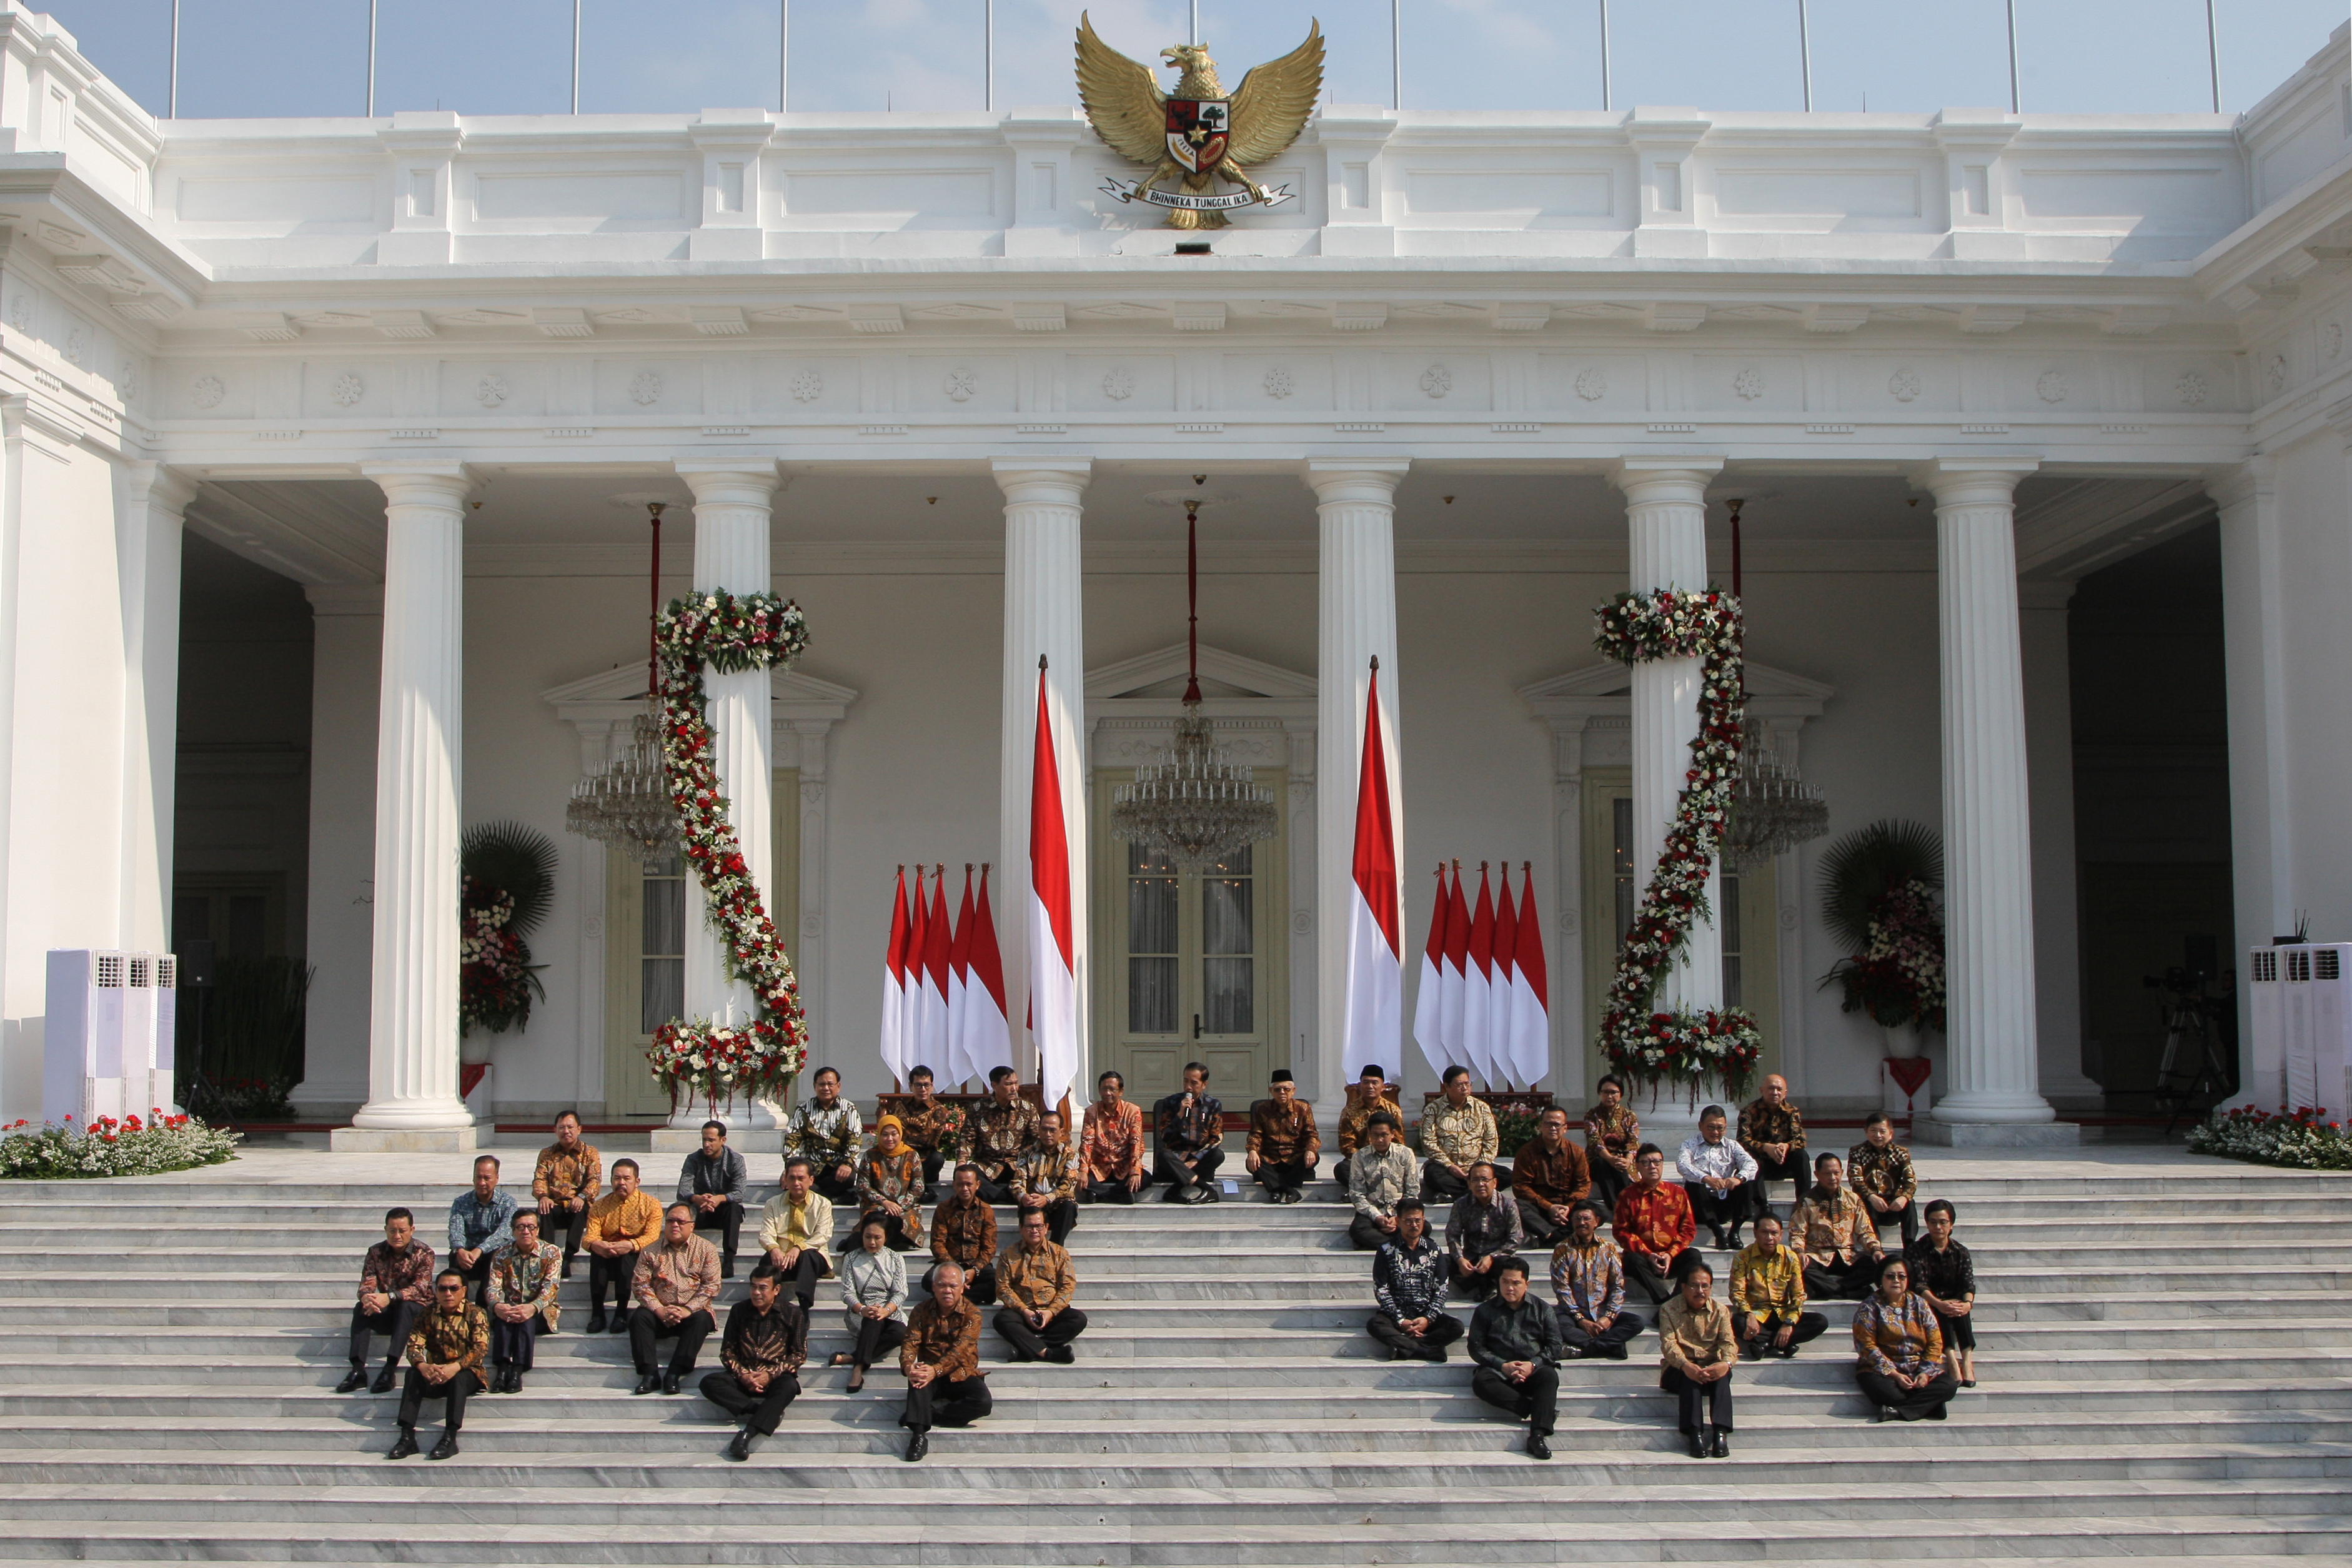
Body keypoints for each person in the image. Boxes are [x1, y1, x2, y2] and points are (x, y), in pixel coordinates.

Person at [700, 1260, 807, 1461]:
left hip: (775, 1377)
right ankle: (761, 1411)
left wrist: (770, 1375)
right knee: (709, 1382)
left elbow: (799, 1354)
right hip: (745, 1375)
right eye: (753, 1287)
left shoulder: (793, 1313)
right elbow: (727, 1352)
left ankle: (746, 1436)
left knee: (790, 1386)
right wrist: (743, 1375)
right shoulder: (739, 1311)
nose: (756, 1293)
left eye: (763, 1288)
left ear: (776, 1290)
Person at [1466, 1257, 1562, 1460]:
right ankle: (1538, 1411)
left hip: (1532, 1371)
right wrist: (1502, 1365)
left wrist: (1533, 1365)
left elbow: (1555, 1346)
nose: (1510, 1288)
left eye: (1516, 1283)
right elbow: (1476, 1348)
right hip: (1500, 1373)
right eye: (1505, 1282)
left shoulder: (1543, 1309)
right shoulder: (1485, 1311)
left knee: (1550, 1376)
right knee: (1481, 1381)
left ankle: (1537, 1436)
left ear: (1527, 1284)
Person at [387, 1269, 486, 1462]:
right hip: (436, 1372)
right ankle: (407, 1436)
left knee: (458, 1378)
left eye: (453, 1288)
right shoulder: (426, 1314)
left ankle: (450, 1437)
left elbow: (480, 1349)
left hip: (467, 1373)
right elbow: (414, 1346)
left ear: (464, 1291)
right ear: (436, 1291)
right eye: (443, 1289)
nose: (448, 1293)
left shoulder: (476, 1313)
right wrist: (422, 1366)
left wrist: (455, 1367)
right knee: (412, 1374)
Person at [900, 1260, 991, 1462]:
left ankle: (929, 1414)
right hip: (929, 1370)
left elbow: (961, 1351)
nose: (947, 1290)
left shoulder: (973, 1313)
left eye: (953, 1286)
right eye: (942, 1285)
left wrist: (936, 1370)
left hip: (960, 1372)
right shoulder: (920, 1310)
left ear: (962, 1288)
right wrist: (908, 1367)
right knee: (918, 1378)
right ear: (934, 1287)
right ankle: (918, 1436)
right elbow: (911, 1342)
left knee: (983, 1402)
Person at [628, 1202, 722, 1395]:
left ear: (692, 1225)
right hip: (660, 1313)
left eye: (680, 1221)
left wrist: (688, 1309)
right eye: (670, 1221)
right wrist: (659, 1310)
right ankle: (650, 1374)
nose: (675, 1225)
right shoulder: (650, 1251)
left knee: (703, 1318)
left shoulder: (707, 1249)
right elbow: (640, 1285)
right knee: (639, 1317)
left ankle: (675, 1372)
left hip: (690, 1314)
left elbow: (711, 1285)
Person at [1853, 1255, 1958, 1422]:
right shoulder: (1870, 1306)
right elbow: (1866, 1346)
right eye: (1890, 1276)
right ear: (1881, 1279)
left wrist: (1924, 1373)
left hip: (1917, 1366)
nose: (1896, 1281)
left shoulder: (1919, 1304)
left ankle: (1897, 1412)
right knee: (1890, 1394)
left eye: (1901, 1277)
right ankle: (1929, 1406)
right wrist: (1895, 1375)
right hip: (1882, 1370)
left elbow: (1935, 1342)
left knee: (1949, 1386)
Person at [341, 1207, 434, 1394]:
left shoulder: (424, 1253)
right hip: (390, 1313)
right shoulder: (376, 1252)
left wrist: (390, 1297)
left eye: (402, 1231)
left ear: (412, 1230)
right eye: (392, 1231)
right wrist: (367, 1298)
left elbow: (420, 1289)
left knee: (406, 1307)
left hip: (416, 1314)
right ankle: (358, 1370)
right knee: (362, 1307)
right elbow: (367, 1283)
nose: (397, 1236)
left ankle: (390, 1369)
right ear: (386, 1230)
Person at [1657, 1261, 1737, 1459]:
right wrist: (1686, 1366)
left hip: (1710, 1366)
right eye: (1694, 1286)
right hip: (1678, 1368)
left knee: (1722, 1375)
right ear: (1684, 1287)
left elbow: (1729, 1343)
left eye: (1705, 1286)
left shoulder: (1720, 1311)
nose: (1700, 1291)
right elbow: (1669, 1344)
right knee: (1690, 1377)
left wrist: (1726, 1364)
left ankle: (1721, 1433)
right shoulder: (1668, 1309)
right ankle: (1694, 1434)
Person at [1367, 1198, 1461, 1362]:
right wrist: (1401, 1321)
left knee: (1456, 1327)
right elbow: (1381, 1290)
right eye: (1409, 1221)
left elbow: (1441, 1289)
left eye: (1418, 1220)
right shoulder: (1386, 1250)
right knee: (1375, 1324)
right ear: (1398, 1221)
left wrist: (1427, 1319)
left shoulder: (1434, 1250)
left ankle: (1405, 1348)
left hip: (1424, 1314)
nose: (1414, 1225)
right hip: (1397, 1314)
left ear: (1424, 1220)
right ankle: (1429, 1352)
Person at [1550, 1200, 1644, 1360]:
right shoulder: (1562, 1249)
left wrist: (1609, 1317)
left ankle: (1588, 1349)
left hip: (1601, 1312)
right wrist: (1580, 1320)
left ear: (1597, 1221)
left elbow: (1618, 1286)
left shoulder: (1608, 1248)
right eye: (1577, 1219)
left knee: (1637, 1322)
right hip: (1574, 1315)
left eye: (1586, 1219)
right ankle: (1612, 1346)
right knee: (1555, 1323)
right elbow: (1561, 1288)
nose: (1582, 1223)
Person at [481, 1208, 560, 1393]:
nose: (526, 1231)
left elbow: (551, 1288)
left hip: (540, 1311)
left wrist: (532, 1307)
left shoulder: (551, 1252)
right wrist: (496, 1305)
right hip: (511, 1307)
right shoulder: (502, 1255)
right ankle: (502, 1370)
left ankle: (517, 1371)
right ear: (513, 1231)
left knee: (526, 1319)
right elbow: (493, 1287)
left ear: (537, 1230)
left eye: (531, 1227)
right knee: (504, 1317)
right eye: (521, 1227)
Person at [995, 1206, 1087, 1364]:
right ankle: (1048, 1353)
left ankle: (1028, 1351)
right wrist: (1025, 1311)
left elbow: (1067, 1286)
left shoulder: (1059, 1253)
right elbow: (1003, 1288)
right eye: (1029, 1226)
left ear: (1046, 1228)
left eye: (1038, 1226)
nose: (1034, 1231)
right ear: (1021, 1228)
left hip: (1051, 1313)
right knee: (1002, 1320)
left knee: (1078, 1319)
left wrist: (1050, 1312)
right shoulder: (1008, 1255)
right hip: (1022, 1313)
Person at [1727, 1213, 1827, 1360]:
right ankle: (1785, 1344)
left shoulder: (1790, 1257)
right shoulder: (1743, 1257)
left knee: (1820, 1321)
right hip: (1757, 1314)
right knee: (1737, 1321)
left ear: (1781, 1235)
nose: (1769, 1238)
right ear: (1755, 1233)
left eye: (1774, 1233)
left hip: (1783, 1313)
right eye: (1764, 1232)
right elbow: (1736, 1292)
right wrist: (1749, 1314)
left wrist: (1789, 1323)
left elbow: (1798, 1295)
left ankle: (1765, 1345)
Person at [1614, 1144, 1703, 1304]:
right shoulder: (1627, 1196)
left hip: (1671, 1258)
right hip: (1643, 1260)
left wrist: (1670, 1254)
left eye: (1657, 1162)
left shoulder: (1678, 1193)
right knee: (1632, 1260)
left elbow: (1688, 1229)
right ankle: (1666, 1302)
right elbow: (1621, 1231)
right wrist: (1648, 1254)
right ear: (1637, 1166)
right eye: (1646, 1163)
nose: (1652, 1167)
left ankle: (1677, 1299)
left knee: (1693, 1255)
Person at [580, 1157, 662, 1332]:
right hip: (608, 1252)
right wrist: (597, 1245)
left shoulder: (651, 1205)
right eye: (617, 1178)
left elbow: (652, 1237)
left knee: (627, 1257)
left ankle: (621, 1312)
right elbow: (589, 1237)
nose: (621, 1183)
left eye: (627, 1178)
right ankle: (597, 1313)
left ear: (637, 1182)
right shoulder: (600, 1205)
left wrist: (631, 1245)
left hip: (635, 1255)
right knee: (597, 1254)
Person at [1789, 1151, 1883, 1301]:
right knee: (1797, 1265)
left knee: (1880, 1264)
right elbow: (1797, 1233)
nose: (1833, 1178)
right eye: (1827, 1174)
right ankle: (1850, 1293)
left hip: (1848, 1255)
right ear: (1817, 1174)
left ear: (1842, 1172)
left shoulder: (1853, 1199)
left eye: (1836, 1173)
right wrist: (1799, 1252)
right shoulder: (1806, 1201)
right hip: (1817, 1255)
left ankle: (1830, 1290)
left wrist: (1876, 1250)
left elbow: (1865, 1231)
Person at [832, 1213, 910, 1392]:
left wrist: (886, 1310)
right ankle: (858, 1370)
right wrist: (862, 1309)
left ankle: (852, 1358)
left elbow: (900, 1292)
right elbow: (847, 1293)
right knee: (873, 1319)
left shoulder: (896, 1259)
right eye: (868, 1237)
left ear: (886, 1237)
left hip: (889, 1310)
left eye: (877, 1237)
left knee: (901, 1333)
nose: (872, 1242)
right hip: (860, 1311)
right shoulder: (852, 1258)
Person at [1905, 1198, 1977, 1387]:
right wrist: (1938, 1303)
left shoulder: (1960, 1251)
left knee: (1958, 1308)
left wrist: (1967, 1304)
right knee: (1941, 1309)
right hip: (1928, 1301)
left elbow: (1968, 1284)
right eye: (1933, 1222)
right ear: (1927, 1223)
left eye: (1943, 1222)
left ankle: (1967, 1359)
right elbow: (1919, 1285)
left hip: (1953, 1300)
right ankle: (1952, 1359)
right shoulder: (1916, 1250)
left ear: (1951, 1224)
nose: (1938, 1227)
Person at [1677, 1104, 1762, 1249]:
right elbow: (1682, 1165)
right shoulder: (1689, 1145)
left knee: (1747, 1181)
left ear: (1725, 1128)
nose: (1715, 1132)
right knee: (1694, 1184)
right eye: (1711, 1127)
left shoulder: (1732, 1146)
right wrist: (1707, 1179)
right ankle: (1718, 1233)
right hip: (1701, 1205)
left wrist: (1737, 1179)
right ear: (1700, 1126)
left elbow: (1751, 1164)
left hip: (1724, 1201)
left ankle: (1734, 1232)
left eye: (1720, 1128)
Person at [529, 1111, 600, 1278]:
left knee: (580, 1210)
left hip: (578, 1205)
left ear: (579, 1129)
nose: (566, 1131)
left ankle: (567, 1257)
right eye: (562, 1127)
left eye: (570, 1127)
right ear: (555, 1130)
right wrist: (543, 1196)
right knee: (544, 1209)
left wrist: (582, 1197)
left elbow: (595, 1180)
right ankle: (549, 1256)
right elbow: (539, 1178)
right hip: (556, 1203)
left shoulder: (589, 1153)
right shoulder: (547, 1154)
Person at [1421, 1065, 1510, 1198]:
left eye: (1467, 1084)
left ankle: (1458, 1195)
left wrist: (1477, 1168)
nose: (1465, 1088)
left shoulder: (1482, 1108)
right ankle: (1474, 1194)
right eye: (1459, 1085)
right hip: (1447, 1168)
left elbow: (1491, 1141)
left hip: (1477, 1167)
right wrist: (1450, 1166)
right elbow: (1428, 1143)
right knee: (1432, 1174)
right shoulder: (1433, 1110)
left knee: (1507, 1175)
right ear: (1447, 1086)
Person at [677, 1118, 748, 1278]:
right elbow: (682, 1191)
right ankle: (681, 1259)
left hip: (724, 1211)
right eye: (704, 1140)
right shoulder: (693, 1159)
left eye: (711, 1140)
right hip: (701, 1209)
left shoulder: (736, 1160)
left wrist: (720, 1199)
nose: (706, 1144)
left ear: (723, 1140)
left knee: (734, 1209)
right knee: (680, 1209)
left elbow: (740, 1192)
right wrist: (697, 1198)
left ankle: (728, 1260)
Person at [1511, 1107, 1592, 1247]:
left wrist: (1567, 1208)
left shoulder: (1576, 1152)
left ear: (1565, 1128)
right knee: (1515, 1206)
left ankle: (1552, 1237)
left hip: (1567, 1209)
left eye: (1557, 1125)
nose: (1553, 1128)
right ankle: (1554, 1235)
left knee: (1595, 1210)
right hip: (1539, 1208)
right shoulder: (1527, 1152)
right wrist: (1549, 1207)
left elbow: (1583, 1184)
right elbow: (1520, 1186)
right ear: (1541, 1126)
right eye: (1548, 1124)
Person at [958, 1065, 1041, 1201]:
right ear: (994, 1085)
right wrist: (962, 1162)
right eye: (1008, 1084)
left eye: (1016, 1083)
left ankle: (998, 1195)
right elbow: (967, 1139)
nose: (1014, 1088)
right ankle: (1004, 1196)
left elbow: (1036, 1139)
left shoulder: (1027, 1109)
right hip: (986, 1164)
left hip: (1017, 1165)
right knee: (965, 1174)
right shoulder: (978, 1109)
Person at [784, 1064, 865, 1202]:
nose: (826, 1088)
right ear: (815, 1086)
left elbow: (855, 1139)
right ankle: (835, 1199)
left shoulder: (849, 1109)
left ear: (838, 1086)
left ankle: (817, 1197)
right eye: (821, 1084)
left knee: (849, 1178)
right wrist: (790, 1166)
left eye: (830, 1084)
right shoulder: (803, 1110)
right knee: (795, 1180)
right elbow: (791, 1139)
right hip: (811, 1165)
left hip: (837, 1166)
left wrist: (848, 1163)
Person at [1445, 1161, 1522, 1300]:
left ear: (1495, 1182)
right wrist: (1460, 1259)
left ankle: (1483, 1285)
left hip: (1497, 1259)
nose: (1480, 1184)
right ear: (1469, 1183)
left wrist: (1492, 1257)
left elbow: (1515, 1239)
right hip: (1471, 1257)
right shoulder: (1461, 1204)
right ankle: (1481, 1283)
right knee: (1442, 1261)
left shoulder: (1508, 1205)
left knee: (1509, 1265)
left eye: (1485, 1180)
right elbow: (1452, 1234)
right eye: (1475, 1180)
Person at [925, 1161, 999, 1304]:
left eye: (969, 1184)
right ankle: (965, 1296)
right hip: (950, 1263)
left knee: (995, 1281)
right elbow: (937, 1244)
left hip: (975, 1266)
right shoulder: (943, 1209)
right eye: (960, 1184)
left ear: (977, 1185)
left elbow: (989, 1247)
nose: (964, 1188)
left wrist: (975, 1270)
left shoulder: (986, 1210)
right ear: (954, 1185)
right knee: (929, 1281)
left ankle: (954, 1298)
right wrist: (955, 1271)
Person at [848, 1115, 925, 1252]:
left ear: (900, 1134)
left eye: (894, 1134)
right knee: (876, 1219)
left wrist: (900, 1205)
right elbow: (862, 1186)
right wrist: (884, 1202)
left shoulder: (911, 1155)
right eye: (885, 1135)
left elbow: (918, 1187)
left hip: (904, 1206)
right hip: (877, 1205)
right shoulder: (870, 1155)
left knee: (904, 1220)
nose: (890, 1139)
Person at [1151, 1061, 1225, 1203]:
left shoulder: (1213, 1104)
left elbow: (1216, 1138)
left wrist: (1195, 1160)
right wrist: (1179, 1115)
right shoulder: (1170, 1102)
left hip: (1199, 1160)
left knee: (1218, 1155)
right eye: (1186, 1081)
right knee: (1163, 1155)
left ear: (1204, 1084)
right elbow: (1164, 1137)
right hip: (1176, 1159)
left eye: (1194, 1083)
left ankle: (1174, 1191)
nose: (1188, 1087)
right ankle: (1206, 1188)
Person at [1735, 1075, 1805, 1223]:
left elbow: (1800, 1140)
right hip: (1761, 1165)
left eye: (1779, 1089)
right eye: (1771, 1089)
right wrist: (1765, 1147)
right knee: (1751, 1158)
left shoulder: (1792, 1112)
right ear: (1762, 1090)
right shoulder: (1749, 1111)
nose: (1775, 1093)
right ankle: (1763, 1205)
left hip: (1782, 1161)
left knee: (1801, 1156)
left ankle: (1803, 1203)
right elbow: (1742, 1141)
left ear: (1785, 1093)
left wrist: (1786, 1146)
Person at [1344, 1113, 1420, 1251]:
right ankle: (1398, 1244)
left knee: (1424, 1227)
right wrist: (1377, 1217)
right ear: (1369, 1134)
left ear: (1392, 1134)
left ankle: (1382, 1244)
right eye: (1375, 1135)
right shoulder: (1360, 1157)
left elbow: (1413, 1190)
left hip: (1400, 1212)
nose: (1379, 1140)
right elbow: (1357, 1194)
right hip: (1373, 1211)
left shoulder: (1406, 1154)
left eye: (1384, 1135)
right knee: (1358, 1229)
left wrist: (1397, 1217)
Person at [445, 1154, 515, 1302]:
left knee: (497, 1257)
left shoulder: (508, 1203)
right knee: (455, 1257)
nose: (482, 1182)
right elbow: (456, 1229)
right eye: (478, 1177)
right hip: (468, 1254)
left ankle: (482, 1307)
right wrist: (460, 1250)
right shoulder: (461, 1202)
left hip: (492, 1253)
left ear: (497, 1178)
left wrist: (480, 1250)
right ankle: (457, 1304)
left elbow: (505, 1233)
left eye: (487, 1178)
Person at [1246, 1068, 1319, 1203]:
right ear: (1271, 1091)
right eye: (1278, 1090)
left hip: (1293, 1157)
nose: (1282, 1093)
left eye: (1286, 1089)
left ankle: (1276, 1190)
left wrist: (1310, 1150)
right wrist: (1252, 1151)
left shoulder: (1303, 1108)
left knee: (1314, 1156)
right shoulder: (1262, 1109)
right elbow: (1256, 1134)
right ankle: (1289, 1191)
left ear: (1293, 1090)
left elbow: (1311, 1134)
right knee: (1253, 1161)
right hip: (1271, 1157)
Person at [1848, 1113, 1920, 1249]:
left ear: (1891, 1133)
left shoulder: (1901, 1153)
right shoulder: (1857, 1152)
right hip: (1870, 1206)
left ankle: (1910, 1247)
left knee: (1910, 1203)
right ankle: (1875, 1247)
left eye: (1882, 1131)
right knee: (1865, 1202)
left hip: (1893, 1206)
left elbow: (1910, 1181)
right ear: (1866, 1131)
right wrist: (1872, 1197)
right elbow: (1855, 1180)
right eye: (1873, 1131)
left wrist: (1904, 1197)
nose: (1878, 1135)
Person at [895, 1064, 963, 1201]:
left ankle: (907, 1186)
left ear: (932, 1086)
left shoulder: (939, 1110)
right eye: (918, 1085)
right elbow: (895, 1133)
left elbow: (929, 1140)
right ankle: (915, 1189)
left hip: (925, 1162)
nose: (923, 1089)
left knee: (938, 1159)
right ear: (911, 1086)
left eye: (926, 1085)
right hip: (902, 1158)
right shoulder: (900, 1106)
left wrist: (909, 1138)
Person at [1079, 1069, 1147, 1202]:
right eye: (1104, 1089)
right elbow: (1087, 1142)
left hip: (1124, 1167)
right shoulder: (1091, 1112)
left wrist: (1135, 1169)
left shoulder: (1133, 1111)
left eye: (1112, 1089)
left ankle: (1099, 1195)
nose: (1108, 1093)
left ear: (1121, 1091)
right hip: (1099, 1167)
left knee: (1145, 1178)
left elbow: (1136, 1143)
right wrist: (1083, 1170)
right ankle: (1119, 1195)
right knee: (1076, 1175)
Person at [1014, 1111, 1081, 1245]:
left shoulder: (1070, 1155)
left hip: (1057, 1204)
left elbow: (1068, 1184)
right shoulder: (1027, 1153)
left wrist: (1047, 1198)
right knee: (1026, 1206)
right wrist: (1023, 1196)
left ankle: (1055, 1248)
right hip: (1034, 1204)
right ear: (1039, 1130)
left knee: (1069, 1206)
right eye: (1044, 1129)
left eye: (1052, 1130)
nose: (1048, 1134)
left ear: (1061, 1132)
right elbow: (1017, 1181)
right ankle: (1030, 1247)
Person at [1332, 1063, 1402, 1188]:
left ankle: (1364, 1189)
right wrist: (1366, 1160)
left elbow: (1398, 1141)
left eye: (1375, 1083)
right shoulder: (1349, 1111)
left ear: (1383, 1087)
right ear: (1360, 1086)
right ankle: (1370, 1190)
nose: (1370, 1086)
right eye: (1366, 1082)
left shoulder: (1393, 1111)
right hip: (1360, 1160)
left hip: (1387, 1159)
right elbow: (1347, 1144)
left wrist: (1382, 1159)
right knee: (1342, 1169)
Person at [1583, 1074, 1642, 1213]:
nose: (1609, 1096)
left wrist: (1628, 1160)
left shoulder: (1629, 1116)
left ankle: (1627, 1206)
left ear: (1620, 1094)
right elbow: (1594, 1140)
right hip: (1599, 1157)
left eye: (1613, 1092)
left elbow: (1633, 1141)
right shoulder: (1592, 1115)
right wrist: (1609, 1158)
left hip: (1623, 1158)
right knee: (1601, 1165)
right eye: (1605, 1092)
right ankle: (1614, 1206)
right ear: (1600, 1093)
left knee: (1621, 1168)